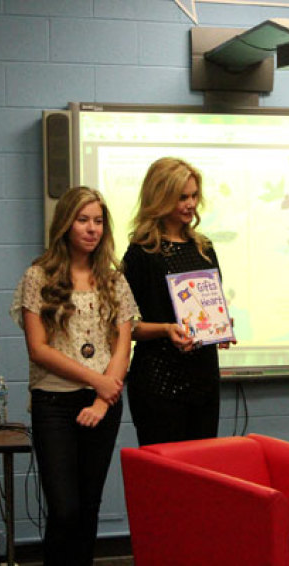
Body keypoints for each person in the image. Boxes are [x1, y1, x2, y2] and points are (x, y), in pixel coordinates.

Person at [11, 186, 138, 565]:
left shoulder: (115, 281)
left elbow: (122, 347)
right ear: (66, 224)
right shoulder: (39, 277)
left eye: (98, 221)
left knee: (87, 507)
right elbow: (39, 348)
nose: (91, 228)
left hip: (103, 404)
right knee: (64, 509)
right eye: (83, 220)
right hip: (55, 403)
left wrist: (102, 398)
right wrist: (96, 380)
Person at [122, 157, 232, 446]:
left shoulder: (204, 248)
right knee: (165, 469)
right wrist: (166, 329)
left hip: (204, 379)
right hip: (159, 380)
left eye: (194, 196)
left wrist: (220, 326)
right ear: (161, 197)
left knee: (202, 466)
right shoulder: (141, 253)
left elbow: (211, 304)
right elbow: (124, 327)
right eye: (182, 197)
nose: (191, 204)